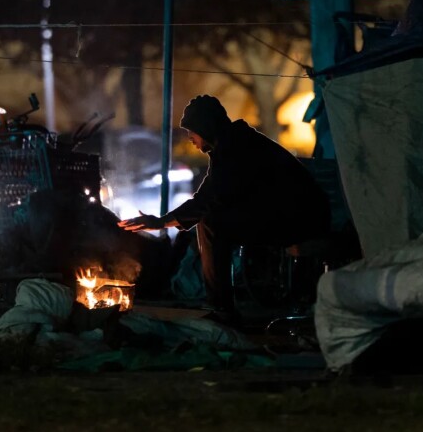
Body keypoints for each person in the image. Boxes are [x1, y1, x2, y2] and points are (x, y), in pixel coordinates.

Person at [118, 94, 330, 323]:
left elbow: (210, 200)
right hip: (292, 215)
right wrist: (168, 220)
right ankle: (219, 302)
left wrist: (161, 222)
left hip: (301, 219)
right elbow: (207, 195)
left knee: (211, 221)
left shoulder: (236, 147)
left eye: (191, 131)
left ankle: (221, 308)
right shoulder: (230, 144)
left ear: (205, 127)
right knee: (207, 218)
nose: (189, 138)